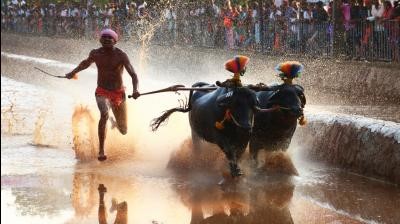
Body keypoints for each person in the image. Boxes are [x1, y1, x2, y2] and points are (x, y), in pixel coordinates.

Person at [65, 28, 140, 161]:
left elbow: (133, 74)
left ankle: (113, 121)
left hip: (118, 93)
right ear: (100, 40)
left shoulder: (121, 55)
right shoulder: (95, 53)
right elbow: (85, 64)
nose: (106, 40)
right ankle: (101, 150)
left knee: (123, 130)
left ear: (115, 41)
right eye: (103, 38)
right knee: (104, 113)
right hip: (102, 91)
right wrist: (73, 72)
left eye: (109, 38)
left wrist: (135, 90)